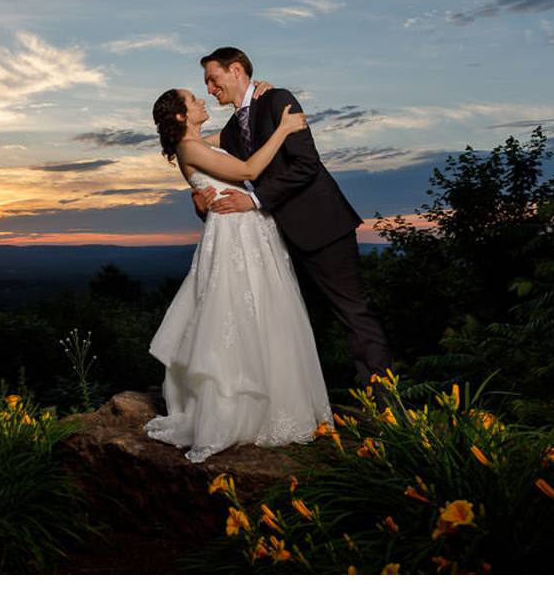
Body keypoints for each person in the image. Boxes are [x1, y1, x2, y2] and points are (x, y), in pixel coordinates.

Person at [143, 86, 333, 464]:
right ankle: (233, 412)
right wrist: (284, 128)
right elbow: (248, 170)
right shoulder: (188, 147)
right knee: (233, 315)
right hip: (233, 235)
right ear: (180, 116)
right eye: (193, 100)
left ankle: (273, 403)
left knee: (264, 312)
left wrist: (255, 96)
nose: (202, 100)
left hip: (249, 231)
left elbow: (240, 129)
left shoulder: (200, 143)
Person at [193, 46, 393, 387]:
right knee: (297, 321)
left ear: (236, 70)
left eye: (213, 79)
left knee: (353, 312)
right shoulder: (232, 129)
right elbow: (191, 146)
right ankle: (316, 399)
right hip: (279, 238)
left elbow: (306, 165)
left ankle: (385, 400)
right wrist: (199, 195)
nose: (210, 90)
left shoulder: (278, 100)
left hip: (323, 227)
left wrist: (255, 199)